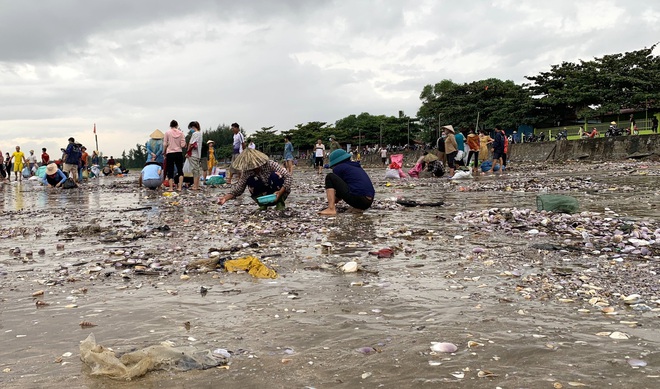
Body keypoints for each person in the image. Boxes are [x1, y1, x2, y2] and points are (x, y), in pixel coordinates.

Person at [217, 148, 292, 210]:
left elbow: (288, 177)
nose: (254, 167)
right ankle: (263, 205)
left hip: (278, 192)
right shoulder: (247, 172)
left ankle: (280, 203)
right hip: (263, 195)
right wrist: (225, 198)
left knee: (275, 176)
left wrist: (280, 192)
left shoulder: (270, 164)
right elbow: (238, 189)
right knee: (251, 180)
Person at [319, 149, 375, 215]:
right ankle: (358, 208)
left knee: (330, 177)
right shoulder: (354, 166)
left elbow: (338, 190)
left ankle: (331, 209)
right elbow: (342, 188)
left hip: (359, 199)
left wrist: (332, 201)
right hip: (368, 201)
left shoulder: (339, 168)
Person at [163, 119, 186, 192]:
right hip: (179, 152)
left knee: (170, 170)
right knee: (180, 170)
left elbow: (165, 144)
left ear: (170, 126)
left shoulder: (167, 133)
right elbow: (183, 145)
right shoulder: (181, 133)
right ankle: (179, 187)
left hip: (170, 153)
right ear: (177, 125)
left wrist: (164, 151)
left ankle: (171, 188)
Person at [186, 121, 203, 190]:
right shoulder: (200, 134)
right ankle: (197, 185)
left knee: (194, 171)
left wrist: (187, 152)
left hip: (193, 154)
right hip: (198, 155)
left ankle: (195, 186)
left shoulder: (195, 134)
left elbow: (191, 144)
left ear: (193, 127)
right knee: (197, 170)